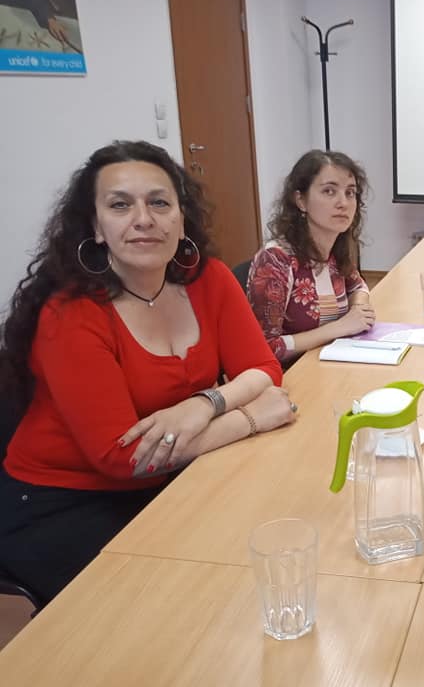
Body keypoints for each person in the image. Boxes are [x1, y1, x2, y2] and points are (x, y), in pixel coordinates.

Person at [0, 140, 297, 606]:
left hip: (167, 479)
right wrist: (251, 418)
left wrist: (204, 404)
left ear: (181, 218)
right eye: (120, 205)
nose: (144, 218)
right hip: (62, 502)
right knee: (169, 608)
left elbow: (261, 367)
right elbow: (126, 457)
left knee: (264, 556)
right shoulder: (70, 314)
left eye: (159, 202)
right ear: (96, 227)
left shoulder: (209, 279)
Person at [246, 150, 374, 366]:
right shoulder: (276, 260)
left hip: (329, 362)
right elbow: (265, 348)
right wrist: (340, 327)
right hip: (289, 376)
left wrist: (358, 310)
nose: (343, 203)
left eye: (350, 193)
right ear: (301, 201)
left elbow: (358, 286)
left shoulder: (335, 249)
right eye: (329, 191)